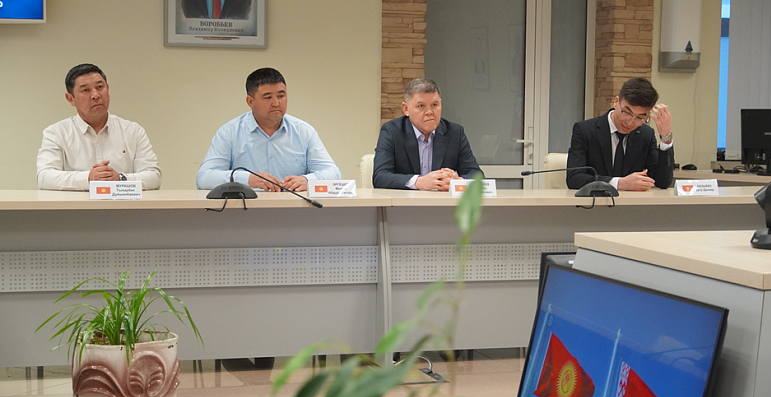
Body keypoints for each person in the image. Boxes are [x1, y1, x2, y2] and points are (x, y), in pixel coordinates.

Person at [197, 67, 341, 192]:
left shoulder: (303, 131)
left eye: (281, 96)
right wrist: (247, 179)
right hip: (245, 210)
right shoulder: (229, 133)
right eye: (268, 97)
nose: (276, 103)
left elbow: (334, 174)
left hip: (293, 209)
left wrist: (307, 180)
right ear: (250, 101)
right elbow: (204, 178)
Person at [37, 64, 162, 191]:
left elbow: (154, 176)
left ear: (108, 89)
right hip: (78, 204)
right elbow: (44, 177)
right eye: (86, 90)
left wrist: (121, 179)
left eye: (100, 87)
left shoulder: (133, 131)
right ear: (71, 99)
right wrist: (87, 179)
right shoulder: (56, 133)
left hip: (123, 203)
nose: (96, 95)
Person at [372, 78, 483, 190]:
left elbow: (477, 175)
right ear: (406, 109)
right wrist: (419, 182)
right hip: (406, 200)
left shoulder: (454, 133)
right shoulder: (392, 131)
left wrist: (459, 182)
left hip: (441, 200)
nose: (429, 112)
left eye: (434, 105)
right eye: (421, 106)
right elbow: (380, 177)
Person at [566, 77, 674, 191]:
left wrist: (665, 137)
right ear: (616, 102)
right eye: (626, 112)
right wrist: (619, 183)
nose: (630, 122)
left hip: (631, 202)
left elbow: (662, 182)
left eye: (639, 118)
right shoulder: (585, 130)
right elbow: (574, 178)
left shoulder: (646, 135)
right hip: (594, 200)